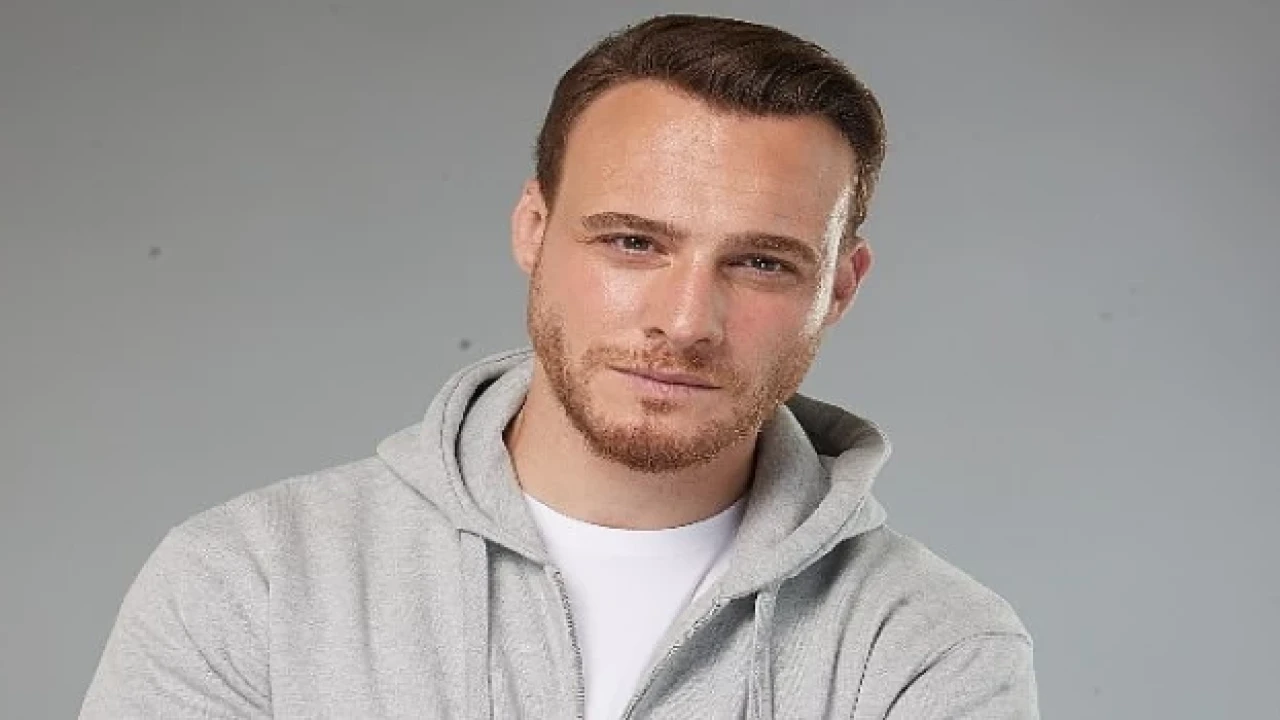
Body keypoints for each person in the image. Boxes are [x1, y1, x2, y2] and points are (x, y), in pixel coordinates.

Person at [81, 13, 1038, 719]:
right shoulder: (250, 581)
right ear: (533, 229)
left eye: (760, 263)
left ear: (840, 286)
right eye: (633, 242)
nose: (684, 322)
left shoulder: (930, 647)